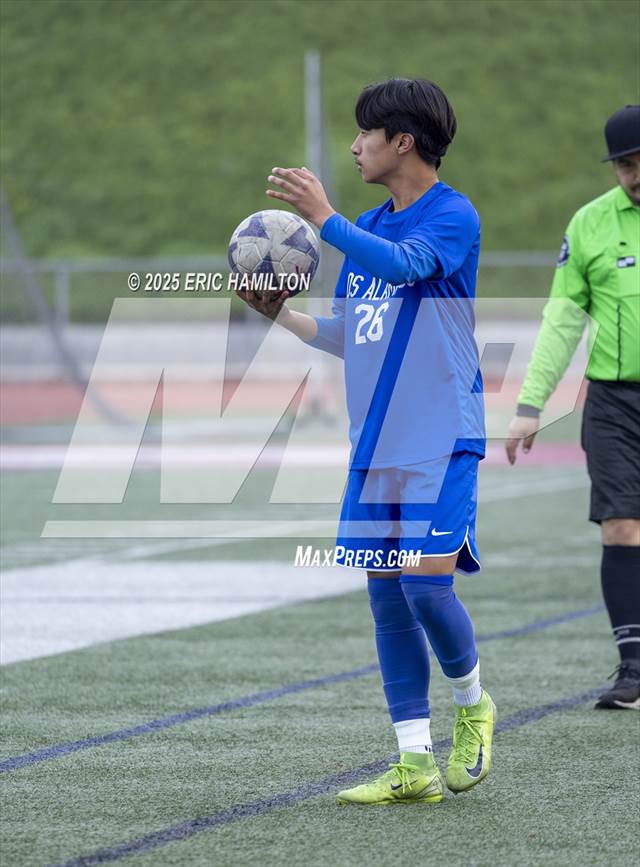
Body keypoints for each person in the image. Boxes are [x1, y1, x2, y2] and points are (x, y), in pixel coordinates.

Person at [236, 78, 495, 804]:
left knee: (425, 587)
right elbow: (352, 334)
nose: (354, 147)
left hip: (441, 436)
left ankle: (474, 704)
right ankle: (414, 763)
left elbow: (407, 266)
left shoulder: (453, 215)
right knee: (386, 598)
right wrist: (281, 315)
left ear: (402, 141)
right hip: (376, 445)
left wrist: (325, 219)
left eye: (364, 134)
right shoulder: (369, 228)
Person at [505, 105, 640, 711]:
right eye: (625, 166)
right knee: (621, 526)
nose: (635, 176)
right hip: (612, 402)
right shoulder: (589, 224)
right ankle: (634, 668)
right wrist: (530, 403)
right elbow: (562, 320)